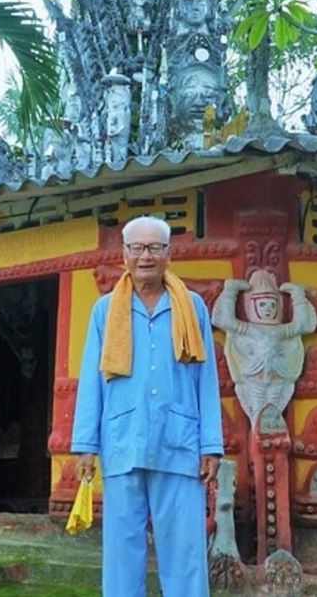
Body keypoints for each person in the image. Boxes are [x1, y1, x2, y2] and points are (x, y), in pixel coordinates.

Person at [71, 216, 223, 597]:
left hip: (180, 441)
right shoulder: (105, 311)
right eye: (137, 248)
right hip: (123, 440)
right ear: (124, 254)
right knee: (122, 553)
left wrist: (211, 445)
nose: (145, 257)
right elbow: (91, 378)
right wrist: (86, 445)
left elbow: (206, 380)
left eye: (155, 248)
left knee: (185, 552)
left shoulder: (193, 307)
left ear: (168, 254)